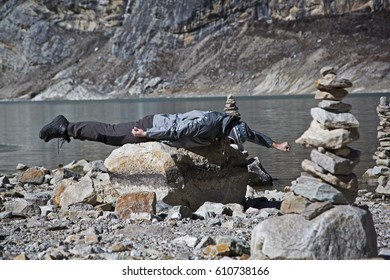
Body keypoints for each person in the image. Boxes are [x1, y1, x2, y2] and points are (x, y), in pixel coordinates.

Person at [39, 110, 291, 152]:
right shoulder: (209, 123)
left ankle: (68, 128)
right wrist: (148, 135)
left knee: (111, 135)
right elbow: (178, 128)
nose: (228, 145)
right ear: (229, 133)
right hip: (154, 126)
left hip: (158, 128)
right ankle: (65, 127)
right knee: (111, 134)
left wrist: (274, 144)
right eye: (230, 142)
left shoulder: (231, 127)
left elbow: (253, 134)